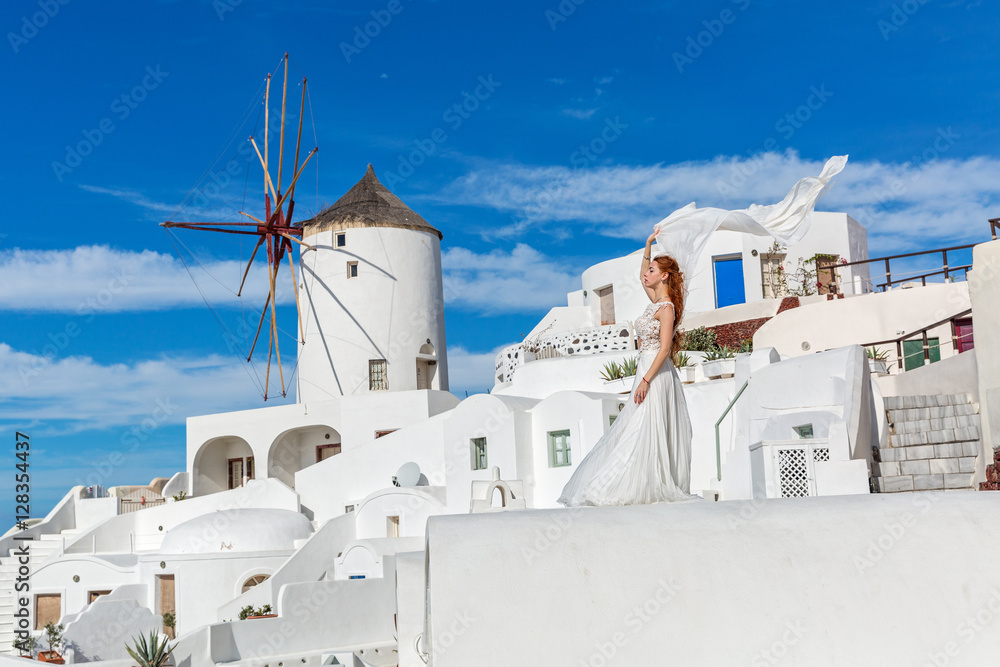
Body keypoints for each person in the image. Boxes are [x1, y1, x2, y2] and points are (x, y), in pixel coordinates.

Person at [558, 228, 699, 506]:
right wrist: (648, 244)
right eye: (649, 269)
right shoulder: (654, 302)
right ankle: (626, 481)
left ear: (664, 276)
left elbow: (665, 349)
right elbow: (640, 275)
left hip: (656, 373)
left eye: (653, 270)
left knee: (644, 424)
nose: (647, 274)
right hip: (644, 369)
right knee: (634, 424)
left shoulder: (666, 308)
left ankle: (635, 484)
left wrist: (646, 380)